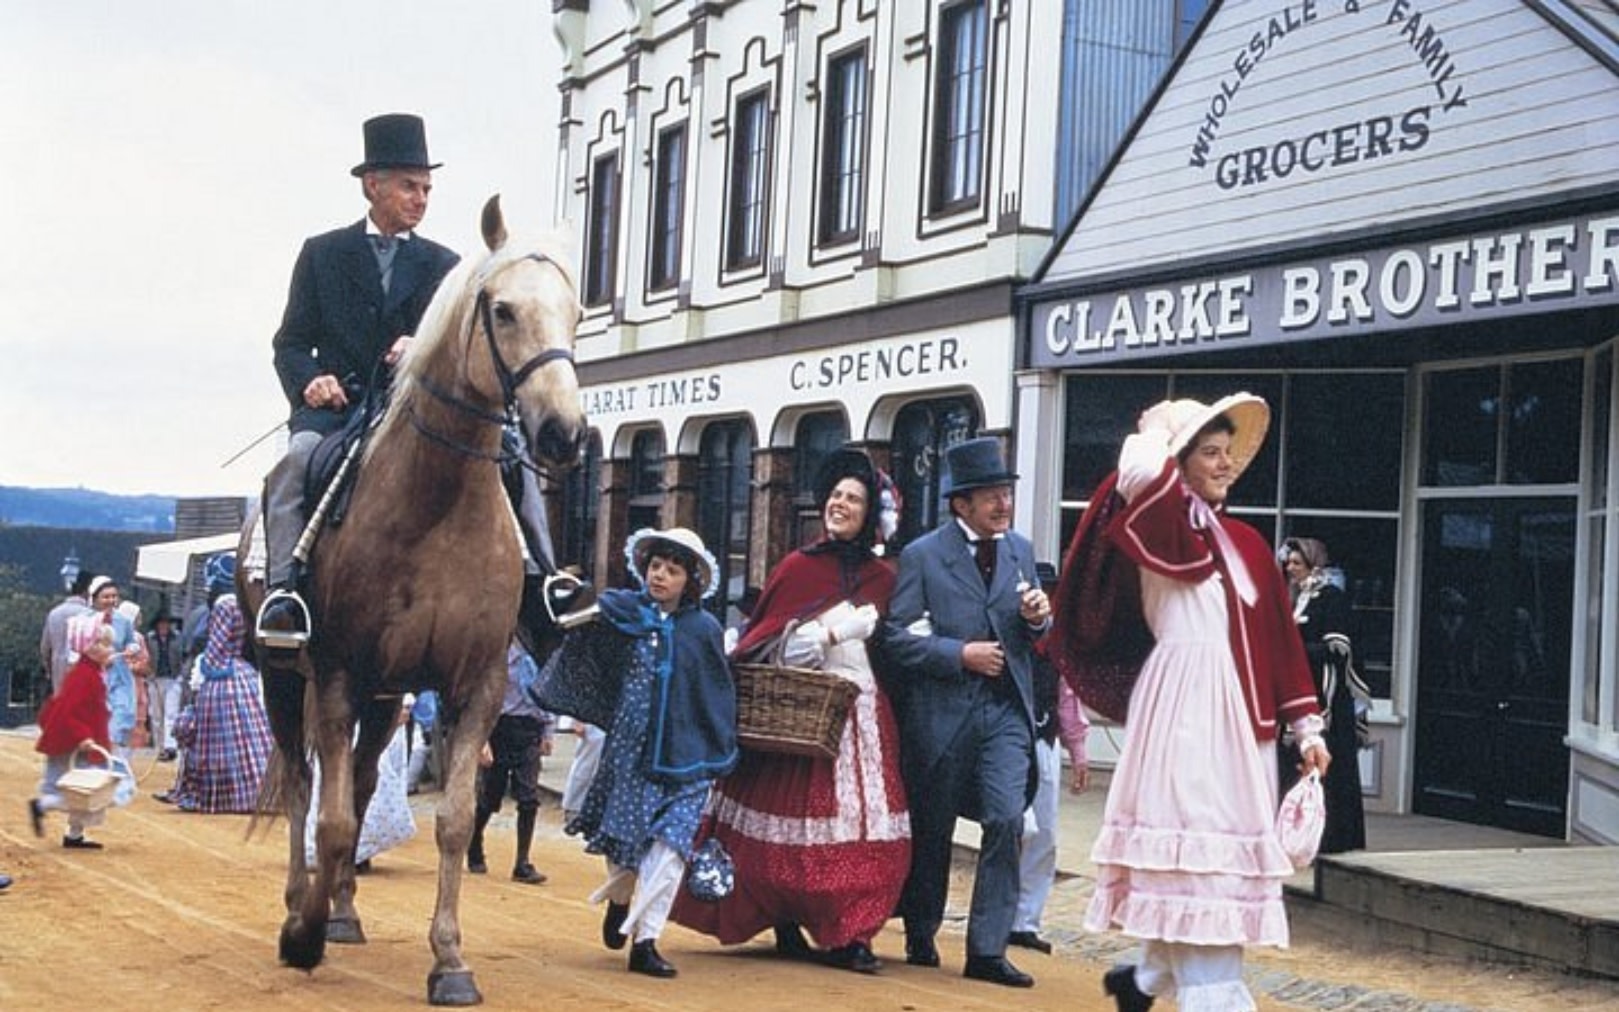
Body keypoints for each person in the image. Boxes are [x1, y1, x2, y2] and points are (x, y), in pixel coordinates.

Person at [1043, 393, 1330, 1012]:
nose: (1225, 464)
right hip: (1185, 706)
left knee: (1217, 860)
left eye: (1229, 453)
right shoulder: (1161, 521)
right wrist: (1165, 429)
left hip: (1242, 718)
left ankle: (1145, 980)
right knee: (1199, 854)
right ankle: (1212, 996)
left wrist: (1307, 728)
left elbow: (1280, 636)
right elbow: (1139, 470)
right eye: (1210, 452)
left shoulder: (1250, 542)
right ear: (1183, 461)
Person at [672, 448, 911, 974]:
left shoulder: (885, 576)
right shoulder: (797, 567)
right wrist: (827, 632)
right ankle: (784, 915)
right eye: (836, 496)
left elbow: (896, 646)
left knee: (862, 820)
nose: (841, 505)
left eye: (853, 498)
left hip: (861, 714)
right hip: (799, 708)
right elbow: (765, 641)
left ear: (870, 512)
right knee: (788, 821)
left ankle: (850, 931)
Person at [256, 112, 460, 648]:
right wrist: (311, 382)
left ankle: (540, 581)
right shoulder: (322, 253)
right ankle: (283, 595)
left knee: (505, 454)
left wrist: (424, 347)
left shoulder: (447, 264)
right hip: (336, 411)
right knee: (291, 466)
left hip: (414, 411)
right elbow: (290, 343)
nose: (421, 199)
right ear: (374, 186)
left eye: (427, 189)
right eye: (409, 186)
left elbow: (459, 349)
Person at [880, 436, 1052, 989]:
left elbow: (1034, 635)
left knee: (1006, 819)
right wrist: (959, 654)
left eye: (1006, 492)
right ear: (961, 504)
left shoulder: (1021, 550)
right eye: (991, 495)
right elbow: (895, 638)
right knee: (934, 828)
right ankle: (921, 927)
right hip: (942, 714)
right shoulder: (923, 555)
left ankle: (987, 950)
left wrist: (1037, 619)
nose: (1003, 503)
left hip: (1005, 712)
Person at [564, 527, 738, 979]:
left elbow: (717, 694)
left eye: (673, 570)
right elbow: (585, 651)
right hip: (629, 752)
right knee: (625, 844)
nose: (661, 575)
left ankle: (646, 941)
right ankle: (620, 902)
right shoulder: (623, 616)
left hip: (685, 758)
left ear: (690, 581)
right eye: (656, 566)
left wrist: (717, 752)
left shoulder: (704, 630)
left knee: (672, 846)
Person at [1281, 536, 1367, 854]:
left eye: (1296, 563)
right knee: (1293, 768)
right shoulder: (1291, 599)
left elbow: (1338, 648)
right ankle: (1294, 836)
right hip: (1295, 697)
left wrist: (1293, 651)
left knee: (1329, 770)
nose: (1290, 568)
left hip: (1326, 701)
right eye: (1288, 562)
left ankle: (1332, 840)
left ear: (1313, 564)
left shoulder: (1331, 597)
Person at [167, 561, 274, 814]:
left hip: (223, 676)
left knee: (214, 739)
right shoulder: (244, 603)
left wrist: (202, 677)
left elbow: (216, 647)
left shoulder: (224, 606)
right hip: (243, 672)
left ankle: (221, 795)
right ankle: (260, 793)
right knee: (253, 738)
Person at [1009, 663, 1090, 955]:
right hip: (1005, 733)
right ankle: (998, 915)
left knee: (1043, 834)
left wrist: (1077, 747)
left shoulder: (1055, 635)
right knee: (1015, 827)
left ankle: (1024, 923)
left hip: (1045, 737)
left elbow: (1066, 691)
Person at [468, 640, 557, 885]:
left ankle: (522, 863)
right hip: (500, 729)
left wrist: (549, 731)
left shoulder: (539, 653)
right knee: (490, 797)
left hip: (530, 730)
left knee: (528, 798)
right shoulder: (496, 655)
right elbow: (483, 699)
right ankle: (474, 841)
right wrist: (482, 740)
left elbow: (549, 694)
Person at [29, 616, 121, 849]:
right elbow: (69, 710)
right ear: (90, 647)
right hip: (73, 740)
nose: (110, 649)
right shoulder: (84, 676)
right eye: (105, 644)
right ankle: (42, 806)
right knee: (78, 789)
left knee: (86, 785)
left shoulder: (89, 671)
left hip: (77, 738)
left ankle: (74, 832)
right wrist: (84, 737)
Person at [86, 576, 141, 762]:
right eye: (105, 597)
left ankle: (112, 756)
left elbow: (131, 641)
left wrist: (132, 649)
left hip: (119, 675)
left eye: (114, 596)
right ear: (94, 599)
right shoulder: (85, 620)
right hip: (94, 674)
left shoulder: (123, 621)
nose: (110, 601)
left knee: (121, 714)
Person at [39, 569, 94, 695]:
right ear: (88, 592)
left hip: (58, 675)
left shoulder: (54, 613)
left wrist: (50, 670)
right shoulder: (90, 615)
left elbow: (45, 649)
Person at [145, 609, 185, 762]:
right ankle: (159, 746)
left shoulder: (177, 638)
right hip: (155, 679)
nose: (164, 626)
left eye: (166, 623)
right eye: (161, 623)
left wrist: (181, 675)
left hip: (172, 678)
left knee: (171, 713)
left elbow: (182, 656)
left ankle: (170, 747)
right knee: (156, 715)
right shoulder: (150, 639)